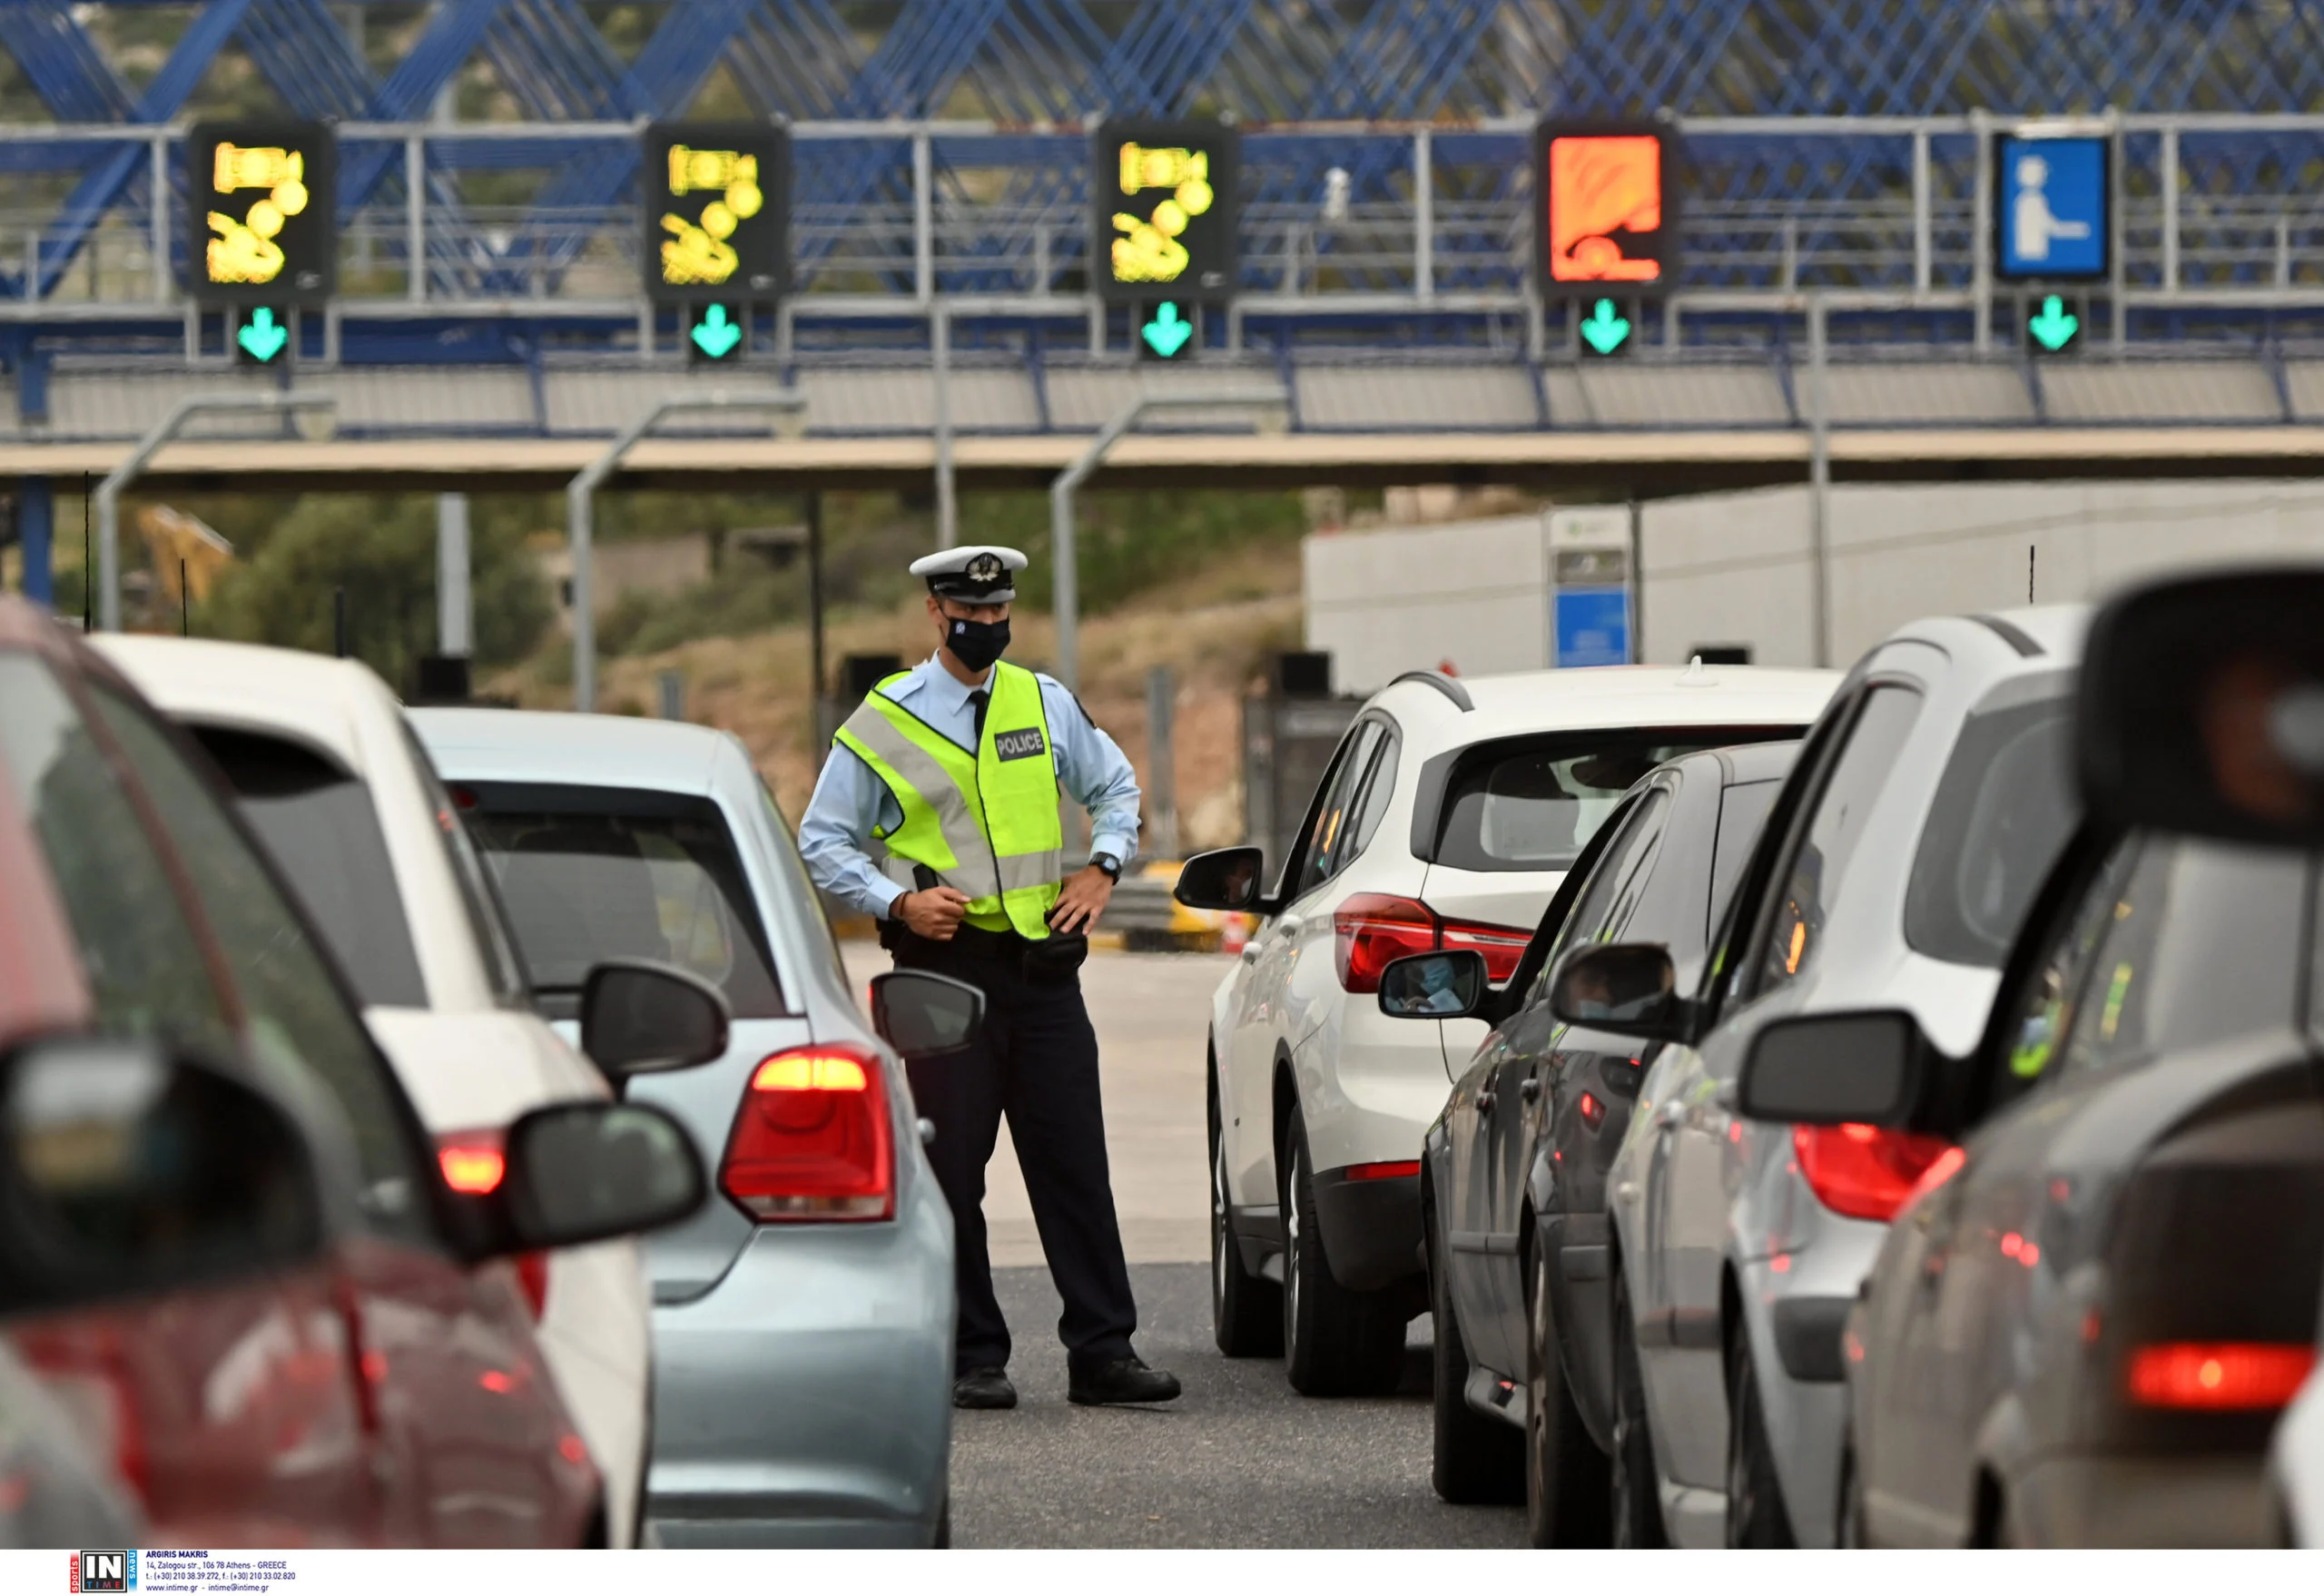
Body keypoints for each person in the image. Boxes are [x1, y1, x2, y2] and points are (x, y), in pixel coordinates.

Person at [797, 544, 1181, 1411]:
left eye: (998, 616)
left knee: (1073, 1161)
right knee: (952, 1169)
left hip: (1043, 971)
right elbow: (821, 842)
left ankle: (1103, 1351)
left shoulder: (1041, 702)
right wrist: (896, 904)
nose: (986, 630)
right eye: (970, 619)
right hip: (944, 973)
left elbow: (1115, 787)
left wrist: (1105, 868)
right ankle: (973, 1355)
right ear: (936, 614)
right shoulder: (881, 720)